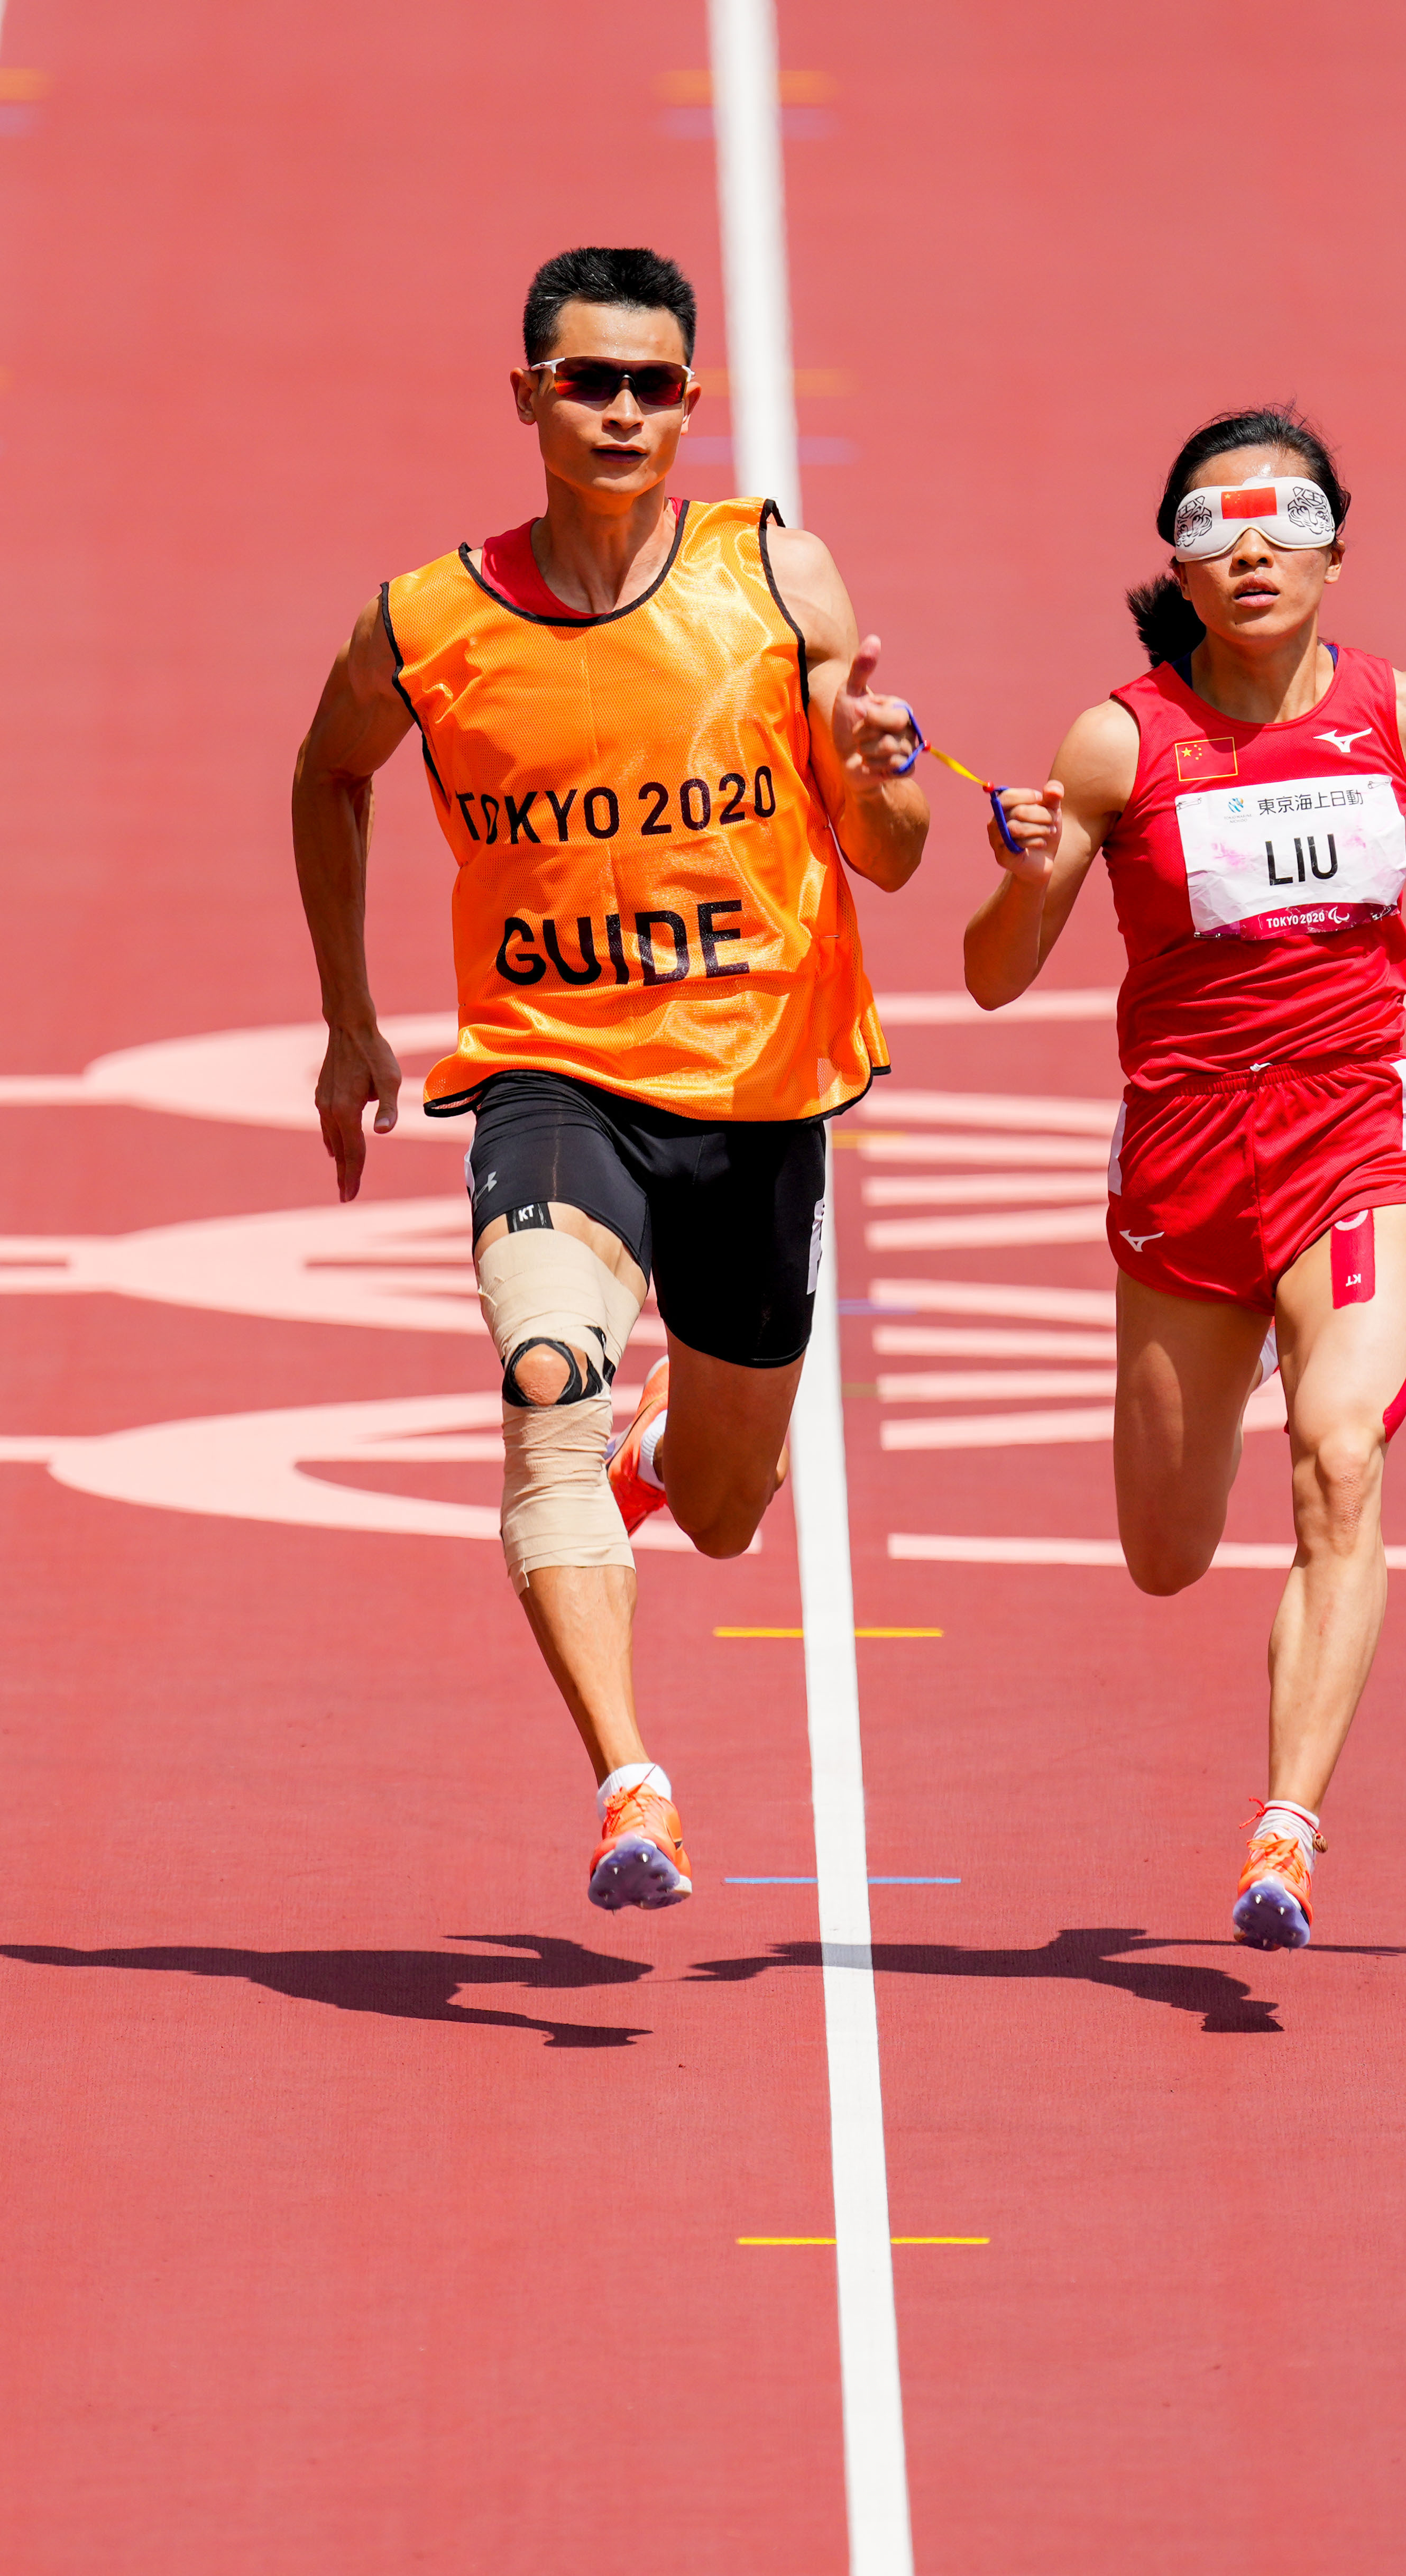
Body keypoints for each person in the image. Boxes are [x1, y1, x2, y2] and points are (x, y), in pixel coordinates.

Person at [963, 407, 1406, 1949]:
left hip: (1360, 1133)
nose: (1249, 546)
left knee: (1342, 1454)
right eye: (1212, 525)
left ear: (1334, 550)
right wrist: (1031, 868)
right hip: (1184, 1158)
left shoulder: (1401, 711)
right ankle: (1220, 1377)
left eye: (1282, 518)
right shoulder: (1120, 743)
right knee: (1166, 1558)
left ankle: (1284, 1832)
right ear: (1178, 561)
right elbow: (990, 981)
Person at [292, 245, 926, 1910]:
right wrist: (353, 1017)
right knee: (547, 1377)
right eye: (590, 380)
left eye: (654, 384)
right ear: (528, 398)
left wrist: (881, 776)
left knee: (723, 1509)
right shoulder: (429, 620)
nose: (624, 410)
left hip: (761, 1085)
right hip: (550, 1075)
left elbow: (897, 856)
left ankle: (667, 1459)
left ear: (694, 405)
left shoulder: (777, 582)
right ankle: (632, 1786)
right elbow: (327, 772)